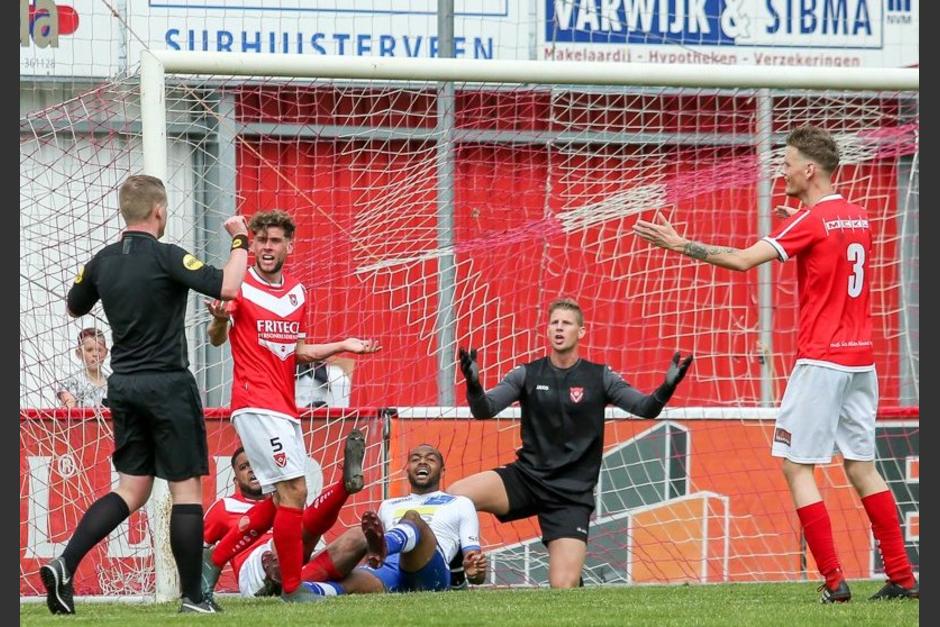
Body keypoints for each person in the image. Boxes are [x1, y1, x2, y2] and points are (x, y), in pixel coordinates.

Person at [632, 125, 918, 603]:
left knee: (796, 467)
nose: (781, 171)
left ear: (810, 170)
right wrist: (802, 219)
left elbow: (745, 260)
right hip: (860, 363)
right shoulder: (857, 217)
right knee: (862, 466)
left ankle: (834, 583)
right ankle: (904, 577)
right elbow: (830, 249)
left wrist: (681, 245)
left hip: (822, 361)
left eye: (787, 163)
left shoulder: (811, 222)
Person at [41, 174, 249, 614]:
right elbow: (229, 286)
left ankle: (65, 562)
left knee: (132, 489)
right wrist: (240, 241)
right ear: (159, 211)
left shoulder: (102, 262)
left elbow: (74, 305)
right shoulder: (167, 256)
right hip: (167, 385)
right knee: (186, 492)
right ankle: (194, 597)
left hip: (124, 386)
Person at [202, 209, 381, 603]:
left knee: (280, 498)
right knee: (295, 490)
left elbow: (295, 352)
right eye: (261, 240)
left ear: (289, 246)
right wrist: (217, 320)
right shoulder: (240, 284)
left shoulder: (298, 293)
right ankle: (292, 589)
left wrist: (342, 345)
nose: (267, 247)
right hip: (254, 402)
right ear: (252, 243)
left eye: (275, 240)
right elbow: (217, 337)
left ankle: (211, 562)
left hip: (284, 406)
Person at [451, 298, 693, 588]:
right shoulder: (526, 374)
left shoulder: (599, 377)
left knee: (562, 590)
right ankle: (456, 578)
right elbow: (484, 410)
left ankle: (572, 574)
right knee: (456, 497)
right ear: (547, 331)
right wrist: (474, 385)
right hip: (527, 477)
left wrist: (667, 387)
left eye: (566, 323)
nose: (559, 328)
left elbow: (645, 408)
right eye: (554, 322)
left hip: (570, 495)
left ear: (581, 332)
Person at [289, 443, 486, 597]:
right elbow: (374, 558)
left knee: (413, 519)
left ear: (442, 471)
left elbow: (474, 563)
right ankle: (292, 586)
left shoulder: (460, 503)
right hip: (390, 567)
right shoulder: (389, 505)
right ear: (407, 470)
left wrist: (475, 571)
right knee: (345, 581)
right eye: (415, 459)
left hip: (429, 569)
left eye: (430, 459)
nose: (422, 462)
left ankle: (386, 544)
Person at [203, 438, 365, 599]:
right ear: (236, 480)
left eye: (256, 464)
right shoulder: (224, 506)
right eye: (244, 467)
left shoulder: (289, 500)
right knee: (293, 532)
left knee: (358, 537)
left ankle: (295, 586)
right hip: (255, 569)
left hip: (295, 564)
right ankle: (343, 487)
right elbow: (200, 548)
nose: (251, 470)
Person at [56, 328, 110, 408]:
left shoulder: (112, 383)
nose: (95, 354)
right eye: (89, 350)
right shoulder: (73, 382)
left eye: (99, 350)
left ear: (105, 353)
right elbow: (68, 408)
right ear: (79, 353)